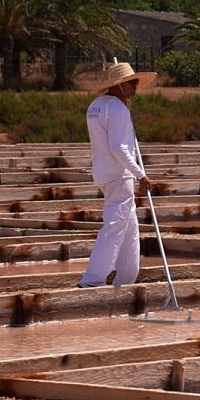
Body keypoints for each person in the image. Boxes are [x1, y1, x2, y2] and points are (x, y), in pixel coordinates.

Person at [78, 60, 156, 288]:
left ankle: (126, 278)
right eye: (131, 83)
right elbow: (118, 147)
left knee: (129, 227)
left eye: (135, 82)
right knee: (114, 226)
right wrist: (140, 174)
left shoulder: (96, 105)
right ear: (118, 85)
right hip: (118, 175)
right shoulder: (118, 108)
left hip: (103, 174)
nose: (135, 87)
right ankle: (92, 280)